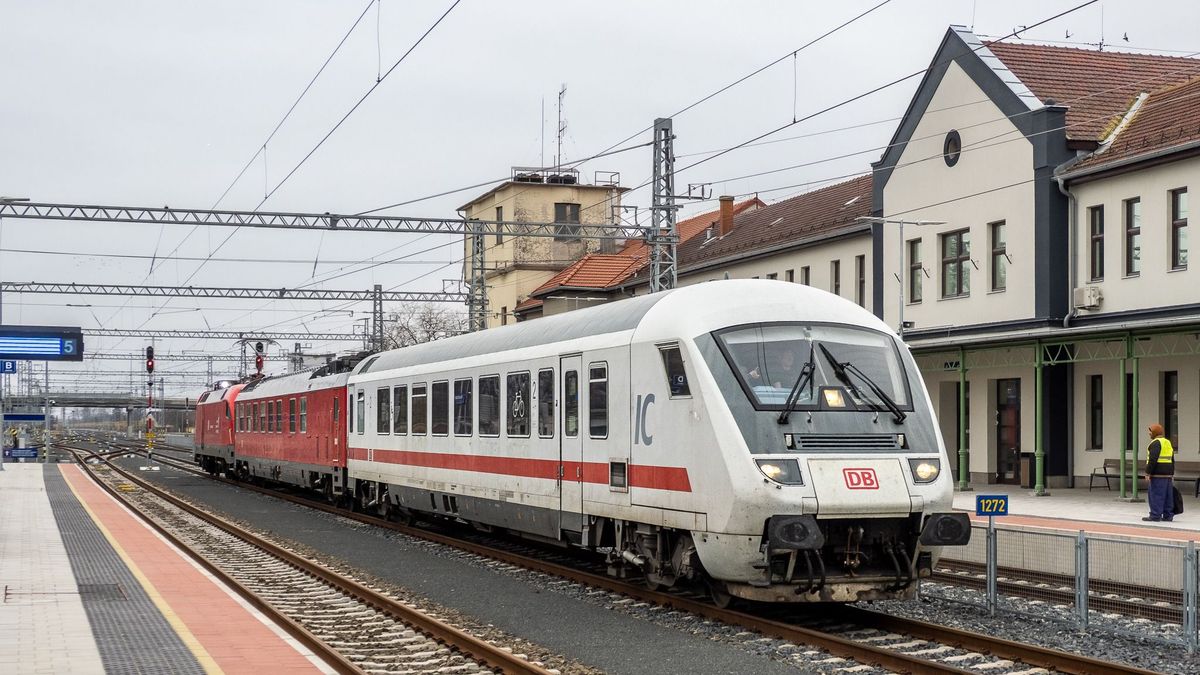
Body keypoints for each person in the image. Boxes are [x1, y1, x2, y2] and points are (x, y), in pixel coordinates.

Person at [1144, 423, 1176, 522]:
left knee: (1156, 495)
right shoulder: (1167, 442)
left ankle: (1155, 515)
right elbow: (1172, 459)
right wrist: (1172, 473)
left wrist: (1148, 472)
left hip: (1157, 474)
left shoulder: (1155, 443)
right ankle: (1168, 516)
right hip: (1167, 474)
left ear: (1155, 432)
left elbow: (1153, 459)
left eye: (1150, 431)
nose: (1149, 433)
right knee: (1167, 496)